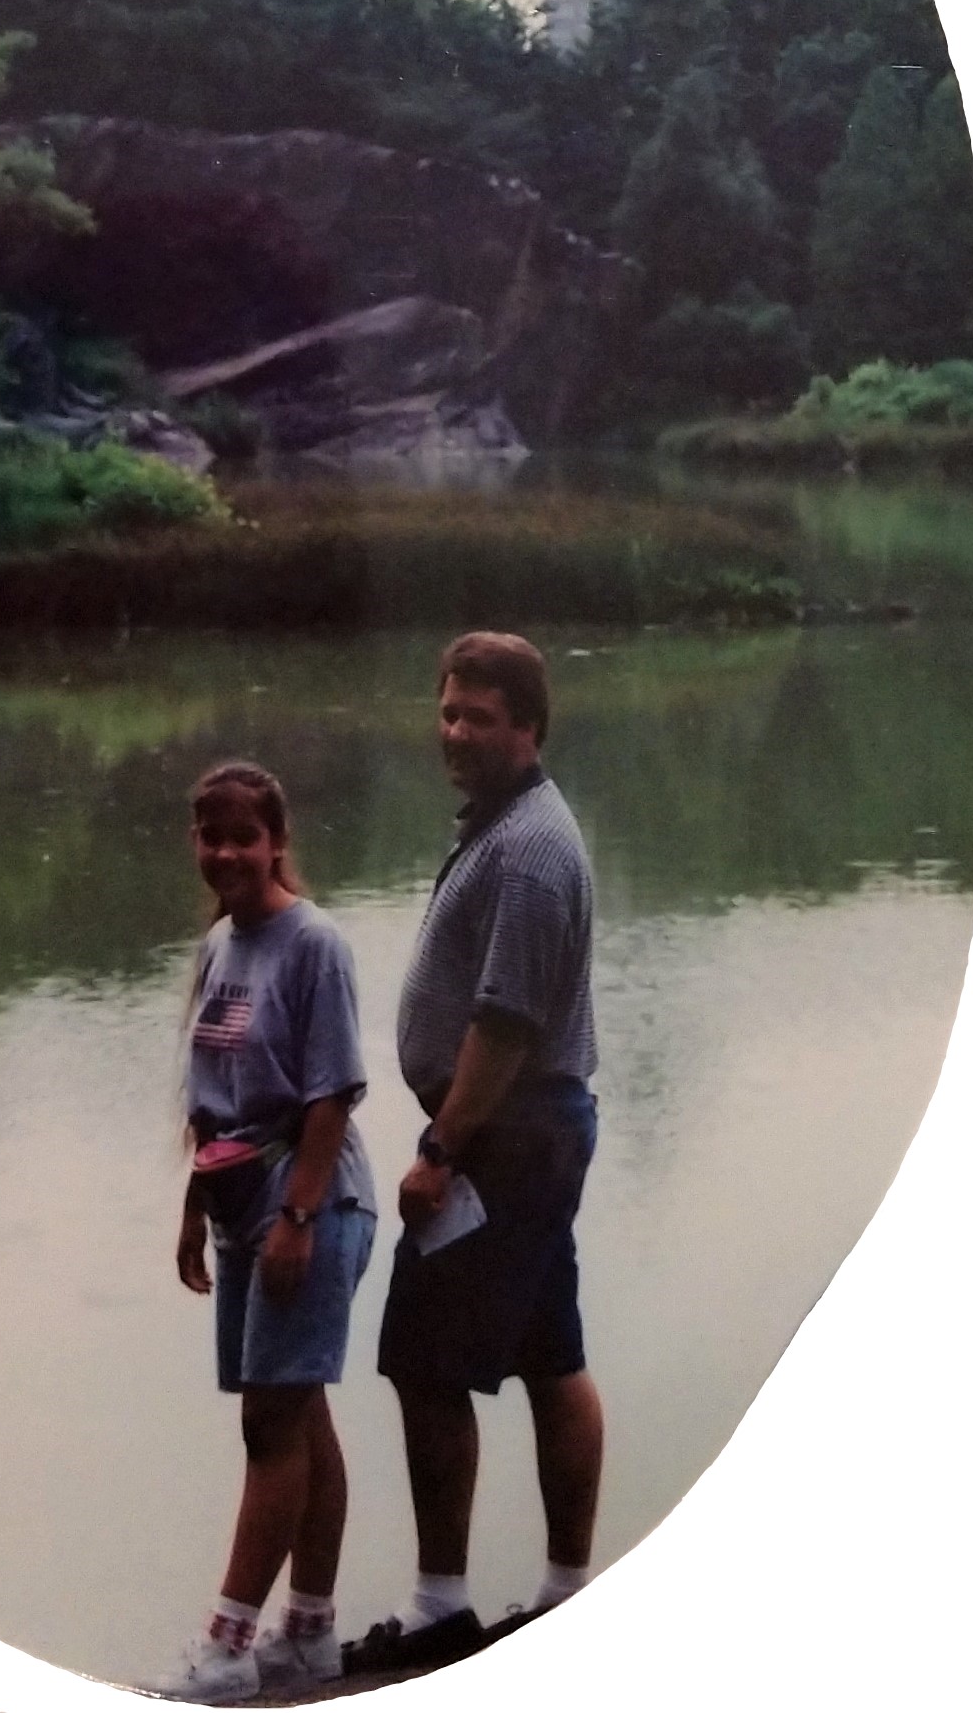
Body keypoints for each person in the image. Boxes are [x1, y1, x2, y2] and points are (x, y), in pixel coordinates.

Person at [345, 633, 602, 1677]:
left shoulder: (530, 852)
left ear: (528, 728)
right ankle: (565, 1596)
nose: (454, 732)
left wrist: (439, 1151)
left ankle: (441, 1610)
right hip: (528, 1134)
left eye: (479, 718)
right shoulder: (509, 825)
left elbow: (503, 1023)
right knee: (550, 1358)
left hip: (505, 1138)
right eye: (448, 711)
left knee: (422, 1361)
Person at [158, 762, 378, 1705]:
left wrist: (298, 1218)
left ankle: (228, 1646)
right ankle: (311, 1636)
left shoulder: (313, 944)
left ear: (277, 842)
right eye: (211, 837)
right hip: (241, 1204)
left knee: (270, 1421)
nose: (226, 855)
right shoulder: (221, 944)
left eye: (243, 838)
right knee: (299, 1412)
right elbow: (212, 1104)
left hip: (311, 1203)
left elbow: (331, 1096)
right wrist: (194, 1210)